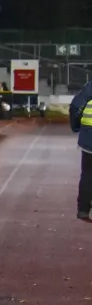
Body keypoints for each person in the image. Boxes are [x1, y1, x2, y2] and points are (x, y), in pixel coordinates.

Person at [69, 79, 92, 222]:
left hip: (89, 138)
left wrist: (76, 126)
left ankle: (83, 210)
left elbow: (76, 106)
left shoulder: (89, 87)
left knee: (87, 175)